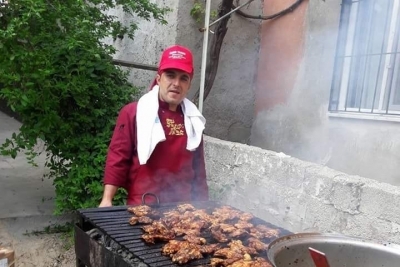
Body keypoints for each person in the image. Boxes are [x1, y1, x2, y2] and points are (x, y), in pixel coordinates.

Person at [99, 44, 209, 207]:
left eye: (183, 78)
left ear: (189, 85)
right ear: (159, 79)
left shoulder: (194, 120)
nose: (176, 83)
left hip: (184, 209)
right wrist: (107, 199)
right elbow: (118, 156)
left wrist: (203, 206)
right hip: (144, 205)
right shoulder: (133, 112)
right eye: (170, 75)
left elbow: (198, 168)